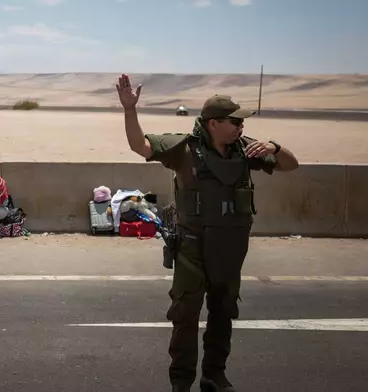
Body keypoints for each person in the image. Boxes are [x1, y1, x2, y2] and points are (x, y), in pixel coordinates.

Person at [115, 74, 299, 392]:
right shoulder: (183, 150)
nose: (240, 127)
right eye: (234, 121)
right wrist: (130, 110)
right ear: (213, 123)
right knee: (185, 313)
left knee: (223, 311)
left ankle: (214, 374)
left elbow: (290, 165)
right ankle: (181, 382)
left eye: (242, 122)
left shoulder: (247, 150)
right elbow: (139, 145)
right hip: (191, 246)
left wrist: (275, 146)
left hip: (229, 247)